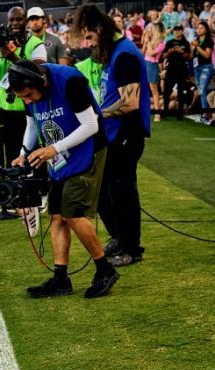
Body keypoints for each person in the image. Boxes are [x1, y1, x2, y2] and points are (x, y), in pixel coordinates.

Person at [7, 60, 120, 299]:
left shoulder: (70, 81)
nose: (27, 101)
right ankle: (61, 279)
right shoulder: (30, 92)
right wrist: (23, 153)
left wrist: (54, 148)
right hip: (60, 154)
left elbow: (91, 125)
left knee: (73, 213)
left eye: (28, 95)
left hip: (88, 150)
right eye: (22, 97)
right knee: (56, 214)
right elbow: (32, 123)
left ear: (41, 82)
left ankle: (104, 269)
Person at [76, 4, 152, 268]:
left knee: (122, 192)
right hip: (112, 134)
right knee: (103, 190)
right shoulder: (115, 54)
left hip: (126, 134)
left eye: (89, 37)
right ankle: (119, 237)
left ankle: (132, 248)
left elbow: (130, 104)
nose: (88, 44)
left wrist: (98, 115)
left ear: (101, 29)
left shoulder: (125, 56)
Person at [0, 6, 47, 217]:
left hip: (30, 108)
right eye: (11, 20)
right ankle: (17, 198)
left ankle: (41, 194)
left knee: (35, 151)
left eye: (19, 20)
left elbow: (38, 70)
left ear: (26, 21)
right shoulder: (1, 44)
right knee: (11, 154)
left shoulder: (35, 44)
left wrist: (9, 54)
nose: (14, 24)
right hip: (6, 108)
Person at [161, 24, 192, 118]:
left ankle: (180, 113)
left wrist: (181, 51)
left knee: (181, 90)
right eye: (175, 30)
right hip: (171, 67)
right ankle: (165, 111)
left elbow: (188, 57)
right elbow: (163, 56)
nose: (177, 32)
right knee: (166, 90)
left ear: (182, 31)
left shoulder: (186, 43)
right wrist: (170, 51)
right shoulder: (169, 42)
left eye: (179, 30)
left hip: (181, 67)